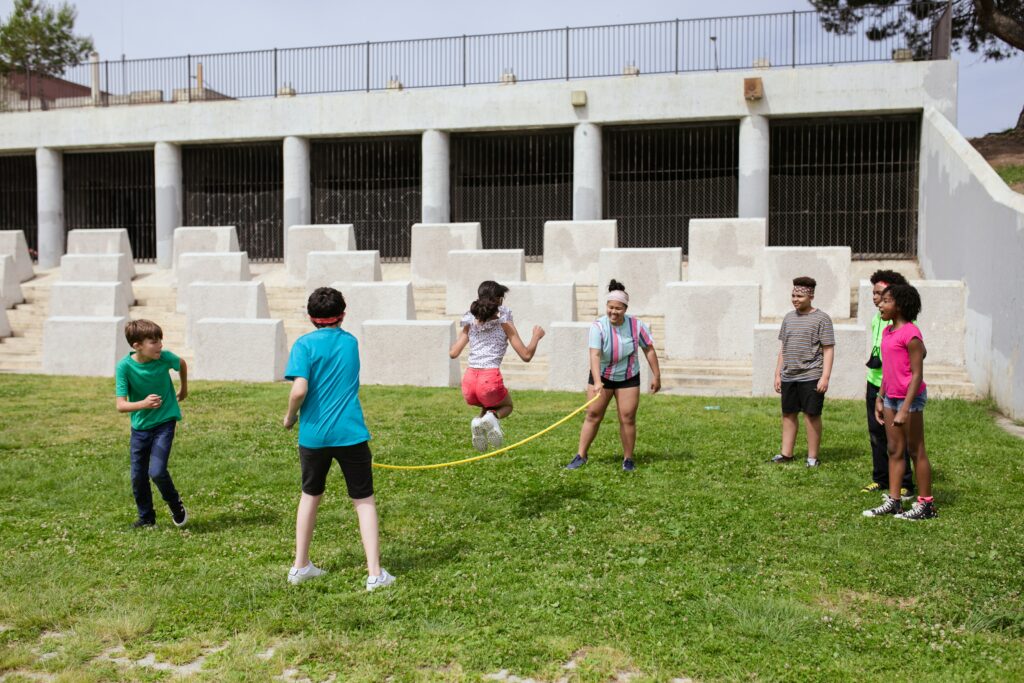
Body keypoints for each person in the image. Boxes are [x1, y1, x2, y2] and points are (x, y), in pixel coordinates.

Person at [283, 287, 395, 589]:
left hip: (314, 436)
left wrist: (290, 416)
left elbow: (299, 389)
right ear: (342, 314)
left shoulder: (303, 345)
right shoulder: (351, 342)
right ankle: (375, 573)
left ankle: (300, 565)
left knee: (310, 495)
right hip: (351, 434)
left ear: (310, 317)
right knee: (364, 500)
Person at [566, 279, 661, 472]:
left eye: (618, 308)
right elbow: (595, 354)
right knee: (593, 414)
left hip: (628, 377)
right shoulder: (598, 327)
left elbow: (649, 350)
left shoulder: (636, 325)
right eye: (610, 307)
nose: (613, 312)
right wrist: (598, 382)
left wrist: (656, 376)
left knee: (627, 417)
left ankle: (628, 459)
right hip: (601, 376)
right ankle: (581, 455)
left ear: (625, 309)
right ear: (606, 306)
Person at [863, 284, 937, 520]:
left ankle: (926, 505)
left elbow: (917, 374)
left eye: (886, 301)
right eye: (880, 300)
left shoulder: (912, 334)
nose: (880, 305)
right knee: (894, 449)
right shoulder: (887, 332)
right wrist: (880, 397)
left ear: (901, 305)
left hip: (910, 399)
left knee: (916, 450)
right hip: (890, 397)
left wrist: (905, 408)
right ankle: (895, 501)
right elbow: (889, 370)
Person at [449, 280, 545, 452]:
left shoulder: (470, 322)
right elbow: (526, 355)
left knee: (488, 403)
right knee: (507, 406)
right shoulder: (504, 322)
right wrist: (536, 337)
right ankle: (492, 417)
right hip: (489, 379)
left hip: (469, 382)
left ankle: (479, 422)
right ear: (499, 301)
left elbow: (453, 353)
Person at [115, 319, 188, 529]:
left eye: (160, 341)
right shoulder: (124, 367)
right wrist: (144, 404)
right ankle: (146, 518)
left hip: (165, 421)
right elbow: (120, 405)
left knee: (156, 471)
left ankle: (176, 505)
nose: (160, 346)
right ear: (137, 345)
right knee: (138, 477)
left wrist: (183, 389)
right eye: (153, 342)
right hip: (139, 428)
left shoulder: (164, 359)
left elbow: (181, 363)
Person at [770, 276, 835, 468]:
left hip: (811, 376)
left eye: (799, 296)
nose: (795, 299)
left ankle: (812, 457)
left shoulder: (822, 319)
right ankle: (786, 453)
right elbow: (784, 348)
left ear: (811, 296)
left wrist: (825, 377)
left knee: (811, 415)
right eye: (793, 295)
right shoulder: (789, 318)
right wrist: (777, 373)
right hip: (789, 375)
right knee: (788, 414)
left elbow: (828, 349)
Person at [862, 269, 914, 498]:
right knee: (876, 432)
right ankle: (880, 478)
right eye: (874, 294)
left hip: (895, 387)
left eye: (881, 294)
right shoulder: (877, 318)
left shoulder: (902, 323)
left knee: (897, 436)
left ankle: (905, 482)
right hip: (874, 383)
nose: (876, 299)